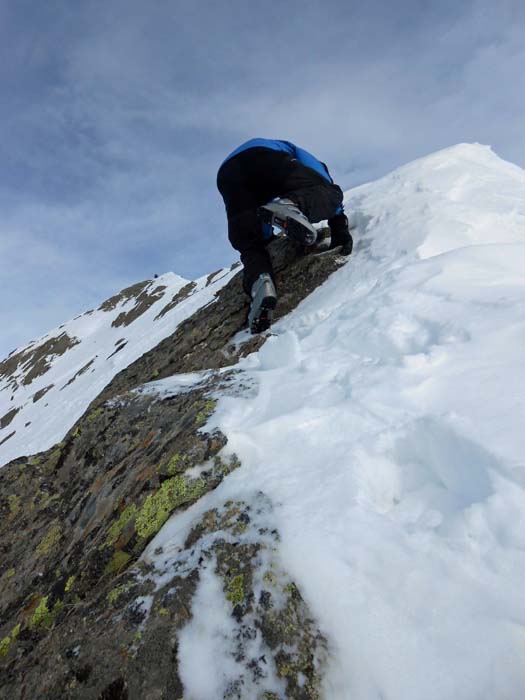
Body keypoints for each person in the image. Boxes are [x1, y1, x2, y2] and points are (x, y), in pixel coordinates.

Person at [217, 138, 353, 333]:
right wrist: (338, 223)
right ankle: (293, 205)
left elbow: (258, 217)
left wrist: (267, 240)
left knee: (250, 243)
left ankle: (260, 282)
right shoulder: (297, 151)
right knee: (329, 192)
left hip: (227, 175)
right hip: (262, 155)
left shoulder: (272, 148)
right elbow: (323, 181)